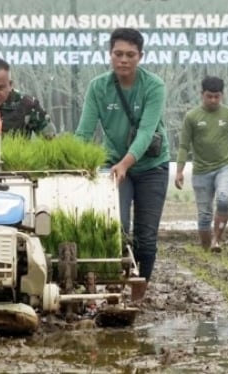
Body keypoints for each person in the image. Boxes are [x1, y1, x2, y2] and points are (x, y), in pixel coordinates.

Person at [75, 28, 170, 302]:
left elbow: (145, 133)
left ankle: (139, 293)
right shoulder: (98, 87)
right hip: (114, 165)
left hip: (151, 166)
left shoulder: (153, 86)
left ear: (140, 56)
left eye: (130, 55)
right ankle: (115, 287)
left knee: (146, 236)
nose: (124, 60)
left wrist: (126, 163)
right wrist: (74, 159)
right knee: (117, 228)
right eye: (118, 54)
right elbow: (84, 132)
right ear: (110, 55)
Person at [174, 76, 228, 252]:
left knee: (223, 199)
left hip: (225, 166)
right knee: (204, 215)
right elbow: (184, 146)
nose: (213, 100)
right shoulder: (192, 117)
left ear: (222, 95)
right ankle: (206, 246)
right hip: (201, 170)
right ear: (202, 95)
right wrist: (179, 171)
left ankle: (217, 240)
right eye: (209, 96)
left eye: (217, 96)